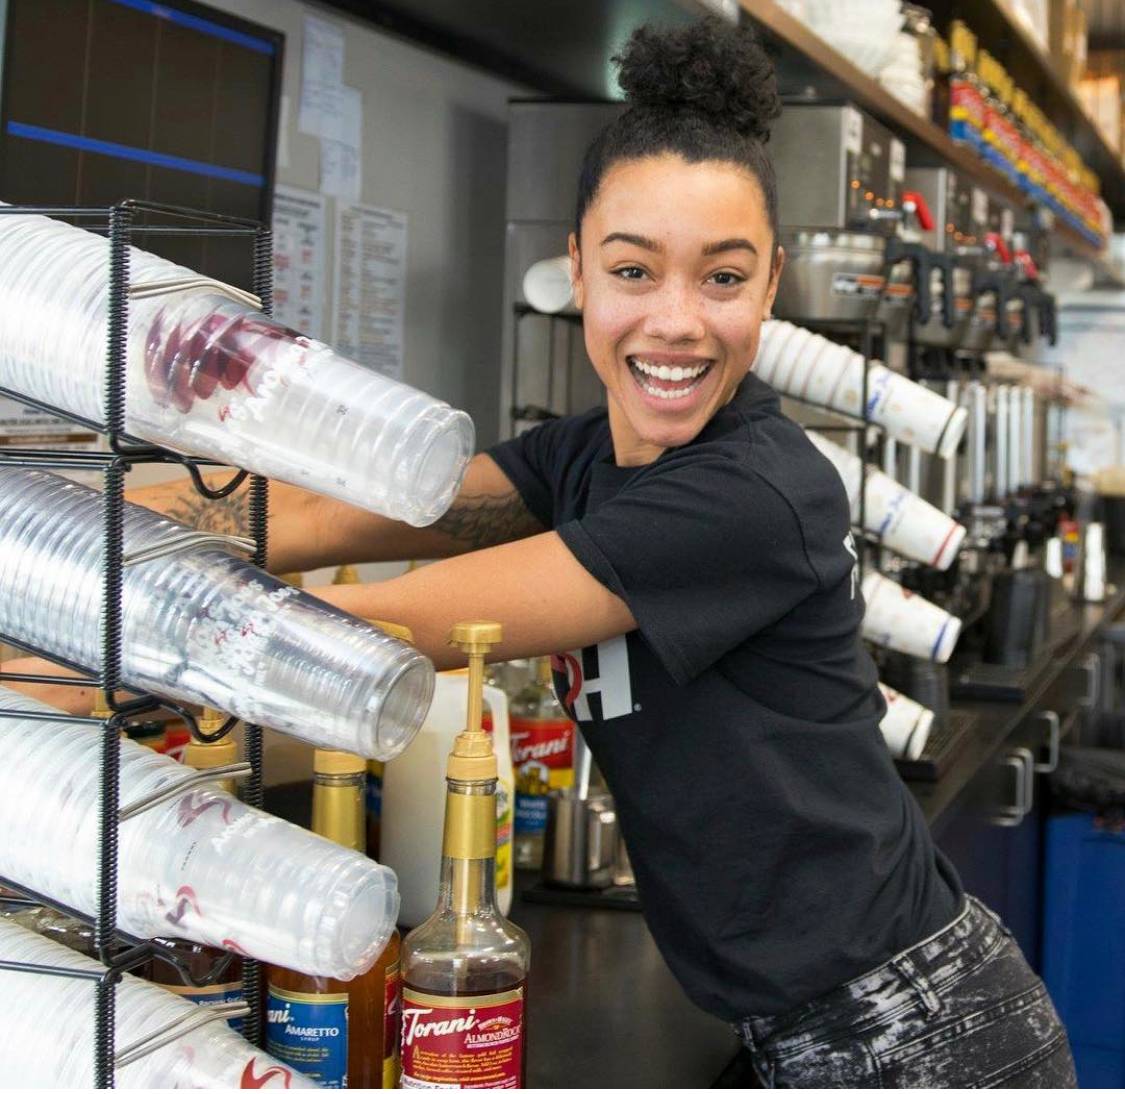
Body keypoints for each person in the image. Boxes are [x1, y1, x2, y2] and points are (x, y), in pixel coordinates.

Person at [4, 19, 1075, 1088]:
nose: (675, 322)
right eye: (632, 269)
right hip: (790, 1023)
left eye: (722, 278)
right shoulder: (582, 456)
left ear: (772, 284)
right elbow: (344, 508)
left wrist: (70, 636)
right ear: (576, 271)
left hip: (924, 1031)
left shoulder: (753, 490)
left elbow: (411, 618)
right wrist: (56, 515)